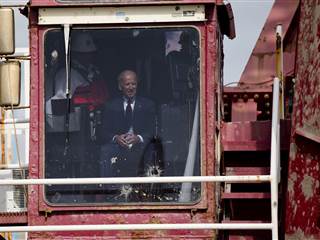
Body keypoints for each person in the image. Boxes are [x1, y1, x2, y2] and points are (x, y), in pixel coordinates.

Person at [100, 70, 156, 182]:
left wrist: (138, 138)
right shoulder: (110, 106)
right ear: (120, 86)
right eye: (127, 84)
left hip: (139, 145)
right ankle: (106, 190)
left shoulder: (148, 105)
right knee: (105, 151)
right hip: (118, 146)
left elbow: (153, 130)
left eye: (133, 84)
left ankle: (150, 190)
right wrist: (116, 138)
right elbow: (103, 132)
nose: (131, 87)